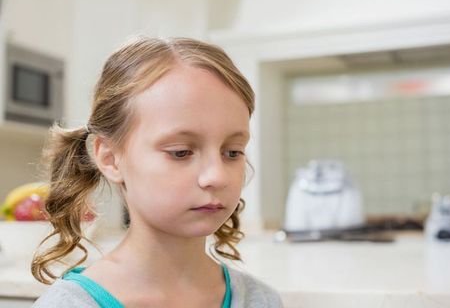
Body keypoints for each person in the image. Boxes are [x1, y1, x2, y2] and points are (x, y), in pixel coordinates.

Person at [31, 36, 283, 308]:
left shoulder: (261, 301)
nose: (217, 176)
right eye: (181, 152)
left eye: (232, 152)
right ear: (111, 158)